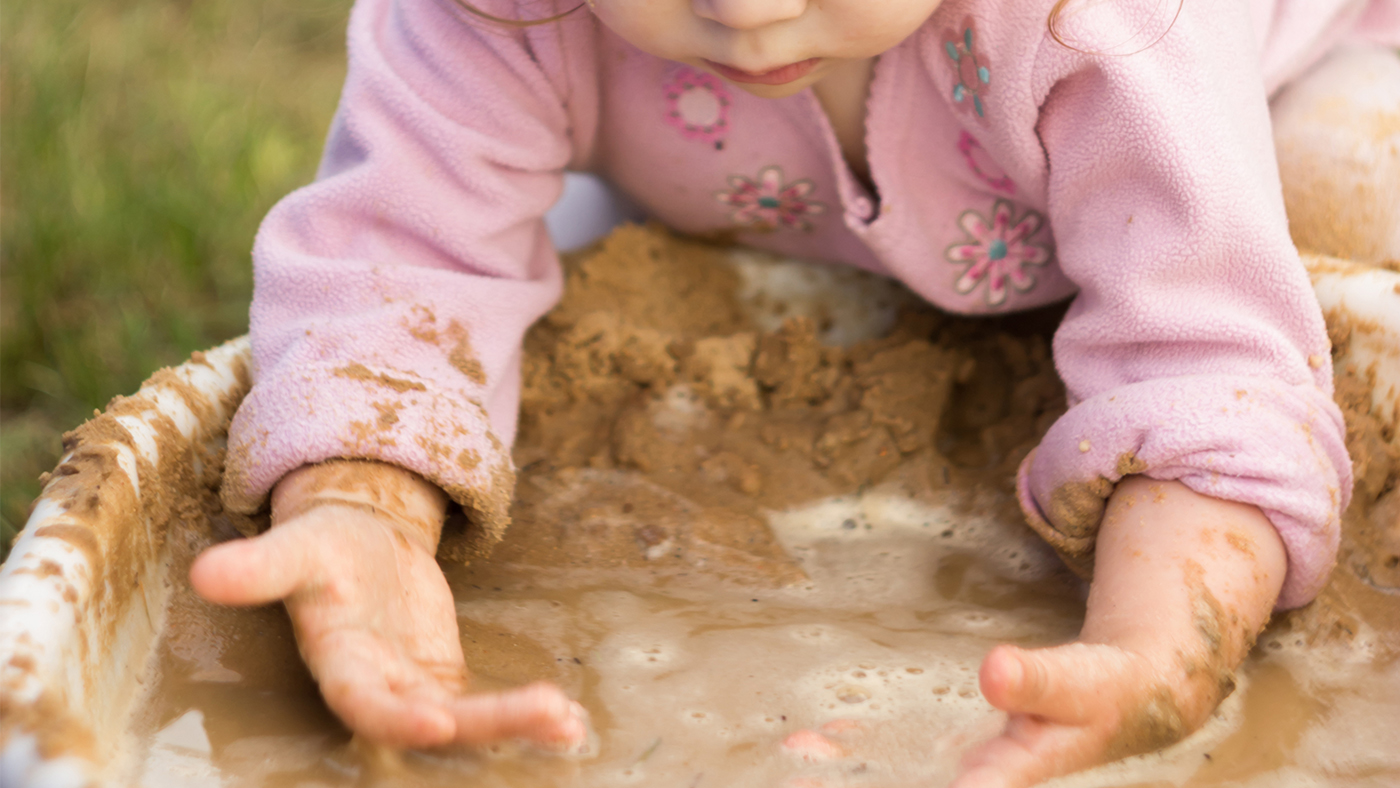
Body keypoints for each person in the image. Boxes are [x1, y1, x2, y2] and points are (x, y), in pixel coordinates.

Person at [187, 0, 1400, 784]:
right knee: (529, 283)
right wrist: (362, 497)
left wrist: (1162, 638)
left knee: (1347, 200)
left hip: (1256, 99)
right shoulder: (493, 13)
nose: (748, 7)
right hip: (736, 180)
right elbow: (400, 269)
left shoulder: (1103, 24)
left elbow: (1212, 360)